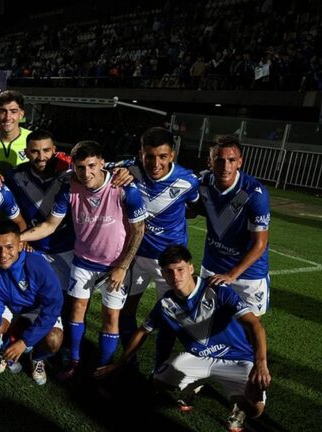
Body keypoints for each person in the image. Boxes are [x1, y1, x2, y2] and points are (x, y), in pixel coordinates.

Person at [95, 245, 271, 432]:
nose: (175, 276)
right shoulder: (165, 303)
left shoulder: (218, 290)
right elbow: (142, 331)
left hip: (237, 359)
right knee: (157, 383)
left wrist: (260, 362)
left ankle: (233, 402)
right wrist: (121, 363)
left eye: (180, 269)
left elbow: (255, 325)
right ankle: (193, 385)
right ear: (163, 274)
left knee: (254, 410)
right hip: (198, 358)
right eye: (169, 272)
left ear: (191, 268)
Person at [21, 140, 147, 379]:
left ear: (101, 162)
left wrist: (123, 266)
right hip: (83, 261)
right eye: (80, 167)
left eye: (91, 166)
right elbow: (49, 225)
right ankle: (76, 360)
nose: (86, 173)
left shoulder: (124, 189)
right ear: (73, 166)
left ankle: (103, 367)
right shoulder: (69, 188)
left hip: (115, 265)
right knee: (77, 310)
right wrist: (18, 238)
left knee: (111, 316)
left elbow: (139, 229)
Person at [119, 127, 200, 370]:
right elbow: (96, 167)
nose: (156, 163)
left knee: (171, 317)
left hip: (170, 263)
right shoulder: (128, 169)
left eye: (162, 157)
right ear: (141, 154)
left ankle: (160, 369)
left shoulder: (188, 180)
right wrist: (117, 169)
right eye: (149, 156)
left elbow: (195, 209)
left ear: (172, 155)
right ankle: (130, 360)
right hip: (136, 256)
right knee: (126, 310)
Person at [0, 221, 63, 386]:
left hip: (36, 309)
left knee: (54, 340)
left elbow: (52, 308)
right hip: (8, 306)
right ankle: (5, 347)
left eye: (9, 247)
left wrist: (25, 341)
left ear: (20, 245)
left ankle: (37, 357)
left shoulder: (38, 265)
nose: (3, 254)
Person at [196, 135, 270, 317]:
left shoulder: (254, 193)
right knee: (205, 323)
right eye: (219, 160)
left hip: (249, 274)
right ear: (209, 162)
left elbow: (260, 244)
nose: (225, 167)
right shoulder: (202, 182)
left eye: (231, 160)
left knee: (250, 327)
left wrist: (231, 275)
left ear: (240, 162)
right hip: (213, 265)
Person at [6, 129, 75, 293]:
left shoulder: (71, 175)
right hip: (32, 249)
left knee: (69, 303)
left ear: (54, 150)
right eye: (35, 151)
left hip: (66, 248)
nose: (41, 156)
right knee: (32, 300)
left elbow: (100, 171)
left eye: (46, 150)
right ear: (26, 153)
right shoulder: (14, 176)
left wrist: (121, 172)